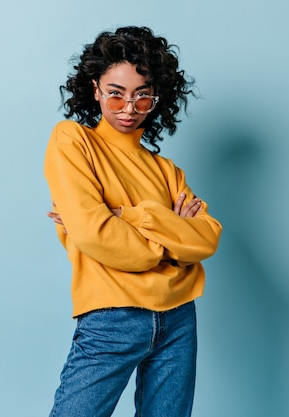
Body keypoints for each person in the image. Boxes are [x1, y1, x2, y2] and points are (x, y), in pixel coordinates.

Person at [43, 26, 222, 417]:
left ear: (157, 98)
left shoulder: (166, 170)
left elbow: (207, 240)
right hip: (113, 315)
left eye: (143, 96)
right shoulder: (74, 142)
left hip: (179, 318)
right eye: (116, 93)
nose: (129, 108)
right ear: (95, 89)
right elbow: (96, 233)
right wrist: (172, 242)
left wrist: (129, 215)